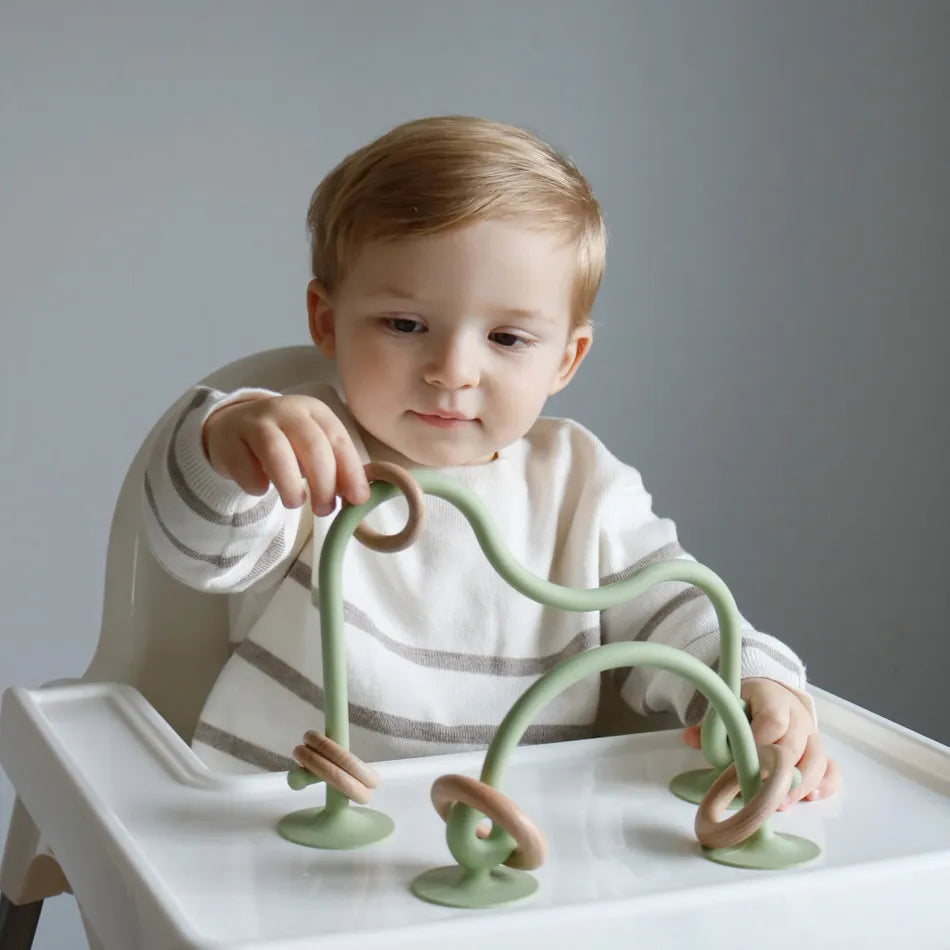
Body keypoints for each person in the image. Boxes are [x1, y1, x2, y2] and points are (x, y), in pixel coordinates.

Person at [142, 115, 839, 808]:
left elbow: (675, 611)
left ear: (565, 359)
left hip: (513, 835)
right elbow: (202, 551)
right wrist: (228, 440)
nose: (452, 370)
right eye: (405, 325)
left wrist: (754, 685)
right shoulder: (311, 448)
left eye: (507, 338)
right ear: (328, 321)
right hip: (284, 822)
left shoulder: (581, 485)